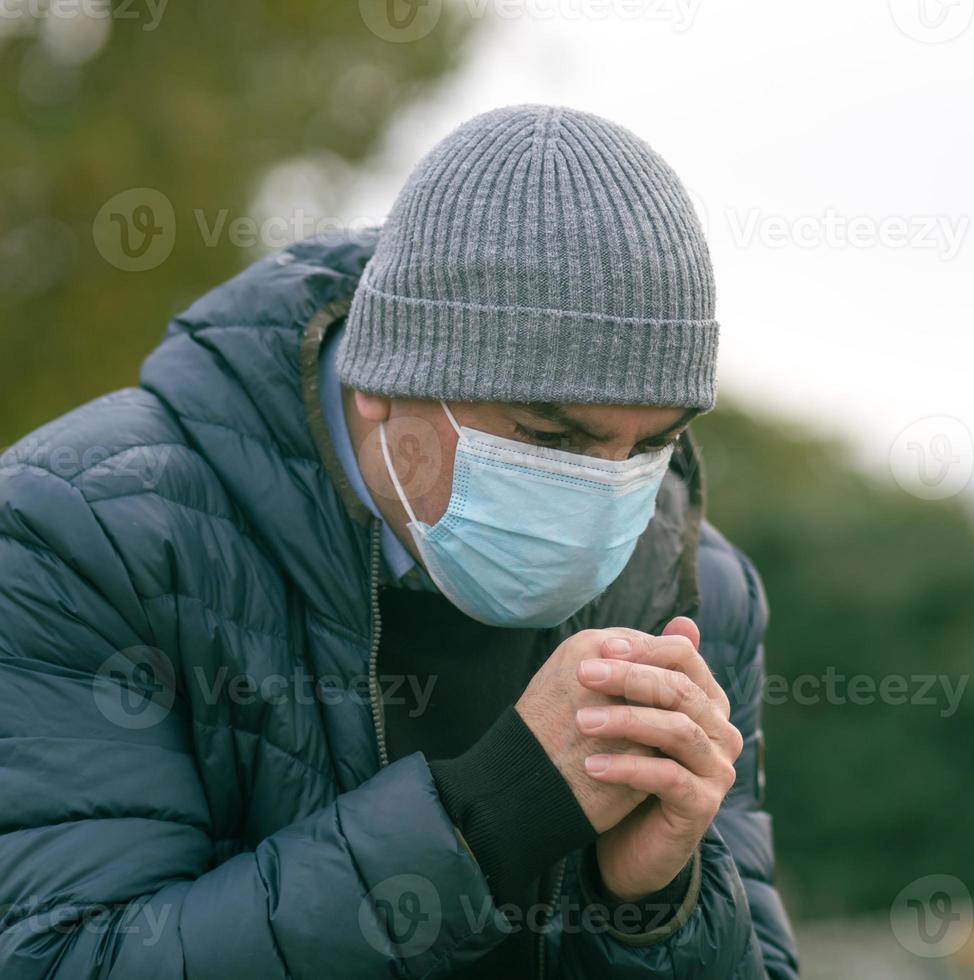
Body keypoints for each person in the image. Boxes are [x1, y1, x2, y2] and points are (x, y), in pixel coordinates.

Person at [0, 105, 799, 979]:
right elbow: (60, 959)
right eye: (551, 437)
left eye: (652, 444)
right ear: (383, 377)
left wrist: (656, 908)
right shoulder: (82, 536)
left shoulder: (693, 588)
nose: (607, 490)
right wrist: (492, 815)